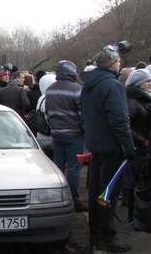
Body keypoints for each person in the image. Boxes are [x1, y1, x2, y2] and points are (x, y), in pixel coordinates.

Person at [80, 44, 135, 252]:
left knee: (97, 192)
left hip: (95, 145)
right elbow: (119, 121)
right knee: (107, 194)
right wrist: (129, 148)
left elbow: (84, 116)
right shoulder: (113, 85)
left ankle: (96, 233)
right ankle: (106, 237)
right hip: (112, 148)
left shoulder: (88, 85)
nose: (120, 63)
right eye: (119, 61)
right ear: (112, 64)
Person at [45, 60, 87, 212]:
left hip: (56, 134)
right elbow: (83, 115)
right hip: (74, 134)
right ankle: (74, 200)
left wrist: (54, 127)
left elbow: (47, 113)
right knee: (74, 168)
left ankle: (57, 197)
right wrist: (84, 130)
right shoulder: (77, 89)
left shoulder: (50, 90)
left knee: (58, 166)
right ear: (73, 72)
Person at [124, 69, 151, 224]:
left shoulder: (144, 99)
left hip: (145, 149)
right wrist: (142, 141)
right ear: (138, 84)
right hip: (138, 150)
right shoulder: (132, 101)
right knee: (137, 185)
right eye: (147, 81)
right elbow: (125, 126)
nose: (150, 84)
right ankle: (135, 219)